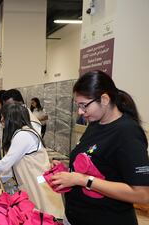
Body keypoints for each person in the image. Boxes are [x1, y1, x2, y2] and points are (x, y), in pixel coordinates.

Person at [50, 71, 149, 225]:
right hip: (76, 216)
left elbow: (142, 195)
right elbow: (99, 165)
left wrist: (83, 180)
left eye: (84, 105)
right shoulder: (95, 124)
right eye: (78, 106)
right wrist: (69, 171)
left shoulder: (127, 132)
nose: (80, 112)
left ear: (104, 99)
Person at [0, 102, 64, 218]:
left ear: (11, 119)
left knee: (44, 213)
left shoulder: (23, 135)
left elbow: (6, 163)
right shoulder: (23, 132)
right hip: (35, 179)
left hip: (37, 181)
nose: (2, 121)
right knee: (38, 213)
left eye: (3, 118)